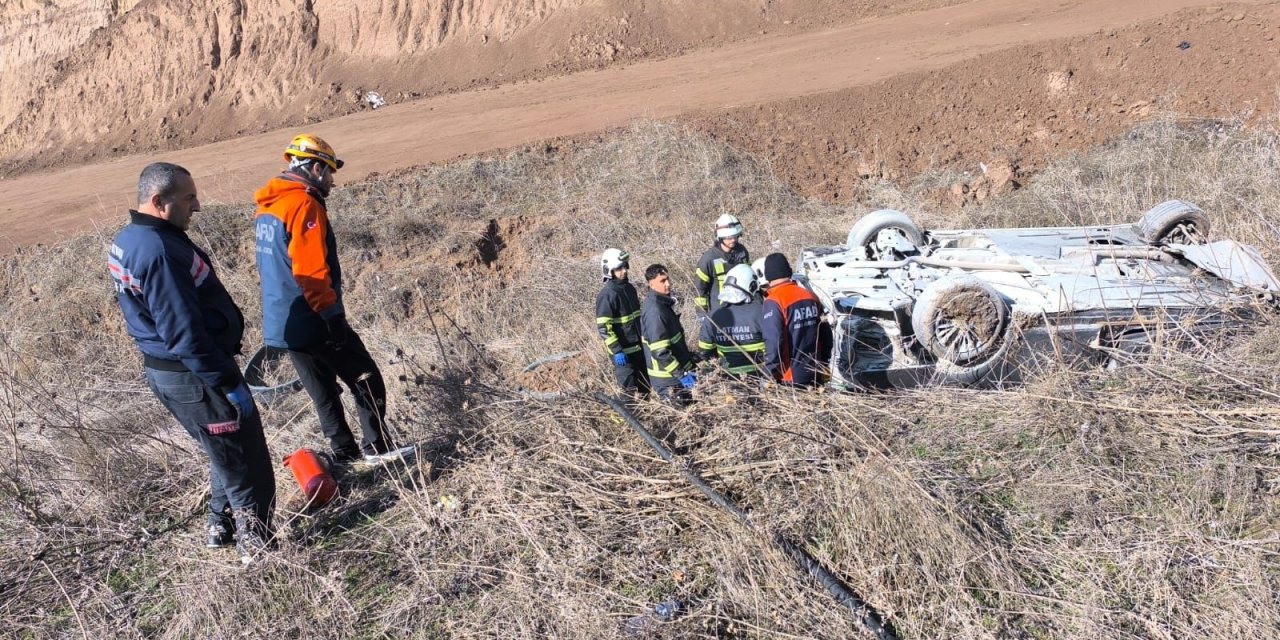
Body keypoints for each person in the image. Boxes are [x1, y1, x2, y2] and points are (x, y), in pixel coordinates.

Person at [108, 162, 275, 562]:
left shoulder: (131, 238)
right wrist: (226, 382)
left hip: (176, 374)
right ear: (158, 201)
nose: (197, 206)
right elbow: (183, 334)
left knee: (222, 448)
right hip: (197, 376)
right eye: (188, 198)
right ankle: (260, 550)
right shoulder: (160, 252)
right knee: (245, 462)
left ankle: (221, 526)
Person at [254, 134, 413, 465]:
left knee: (322, 390)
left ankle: (344, 454)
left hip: (283, 322)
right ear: (315, 168)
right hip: (313, 315)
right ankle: (378, 449)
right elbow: (310, 269)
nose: (331, 181)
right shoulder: (304, 204)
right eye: (329, 172)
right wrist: (331, 316)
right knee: (365, 376)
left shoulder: (268, 206)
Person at [760, 253, 824, 386]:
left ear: (768, 277)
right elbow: (825, 333)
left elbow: (774, 342)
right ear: (789, 272)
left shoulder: (774, 301)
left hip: (790, 378)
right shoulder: (811, 296)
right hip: (815, 372)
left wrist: (768, 374)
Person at [640, 264, 698, 405]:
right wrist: (681, 375)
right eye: (663, 281)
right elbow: (660, 352)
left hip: (673, 375)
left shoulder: (662, 304)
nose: (668, 284)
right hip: (668, 379)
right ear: (651, 284)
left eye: (668, 279)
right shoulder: (656, 312)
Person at [595, 248, 649, 397]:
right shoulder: (607, 295)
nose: (624, 271)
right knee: (628, 392)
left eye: (625, 266)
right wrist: (617, 351)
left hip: (638, 348)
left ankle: (645, 417)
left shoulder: (630, 288)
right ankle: (626, 418)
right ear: (609, 270)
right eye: (619, 268)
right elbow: (604, 328)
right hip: (622, 354)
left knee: (645, 386)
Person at [698, 264, 767, 378]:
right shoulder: (761, 311)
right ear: (752, 285)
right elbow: (775, 345)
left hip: (727, 379)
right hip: (761, 377)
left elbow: (704, 350)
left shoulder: (713, 315)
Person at [694, 214, 750, 317]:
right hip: (720, 312)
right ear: (720, 237)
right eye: (729, 237)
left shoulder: (742, 251)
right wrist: (702, 315)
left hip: (742, 308)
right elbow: (699, 289)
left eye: (735, 236)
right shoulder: (708, 258)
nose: (733, 240)